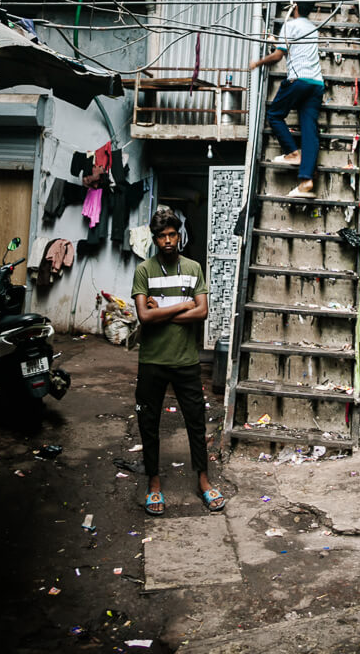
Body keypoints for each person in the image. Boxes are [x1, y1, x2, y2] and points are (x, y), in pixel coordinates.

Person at [131, 208, 225, 516]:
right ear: (155, 239)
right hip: (153, 361)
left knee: (196, 423)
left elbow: (203, 312)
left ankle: (203, 481)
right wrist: (184, 304)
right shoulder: (144, 270)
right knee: (149, 424)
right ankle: (154, 484)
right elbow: (144, 316)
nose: (168, 240)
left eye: (172, 234)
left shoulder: (193, 268)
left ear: (178, 235)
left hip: (186, 360)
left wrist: (164, 310)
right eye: (162, 236)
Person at [249, 0, 324, 199]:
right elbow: (294, 48)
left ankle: (292, 152)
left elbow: (278, 56)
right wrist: (278, 40)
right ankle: (306, 182)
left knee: (274, 115)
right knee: (310, 131)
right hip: (316, 84)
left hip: (298, 80)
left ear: (295, 6)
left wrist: (257, 63)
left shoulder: (289, 25)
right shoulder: (313, 28)